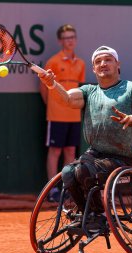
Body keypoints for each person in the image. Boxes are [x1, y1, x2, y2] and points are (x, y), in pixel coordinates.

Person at [38, 45, 132, 213]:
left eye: (108, 60)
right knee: (68, 172)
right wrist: (52, 84)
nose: (103, 63)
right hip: (94, 154)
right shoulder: (89, 91)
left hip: (122, 158)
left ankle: (99, 214)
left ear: (118, 64)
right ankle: (88, 214)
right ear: (94, 69)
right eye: (98, 61)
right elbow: (67, 98)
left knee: (83, 171)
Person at [40, 24, 85, 202]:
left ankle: (68, 188)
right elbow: (44, 89)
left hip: (73, 114)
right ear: (60, 41)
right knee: (55, 151)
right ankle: (52, 190)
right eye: (66, 38)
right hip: (56, 115)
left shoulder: (81, 63)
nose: (70, 41)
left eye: (72, 37)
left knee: (70, 151)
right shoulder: (53, 62)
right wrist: (53, 106)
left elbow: (79, 89)